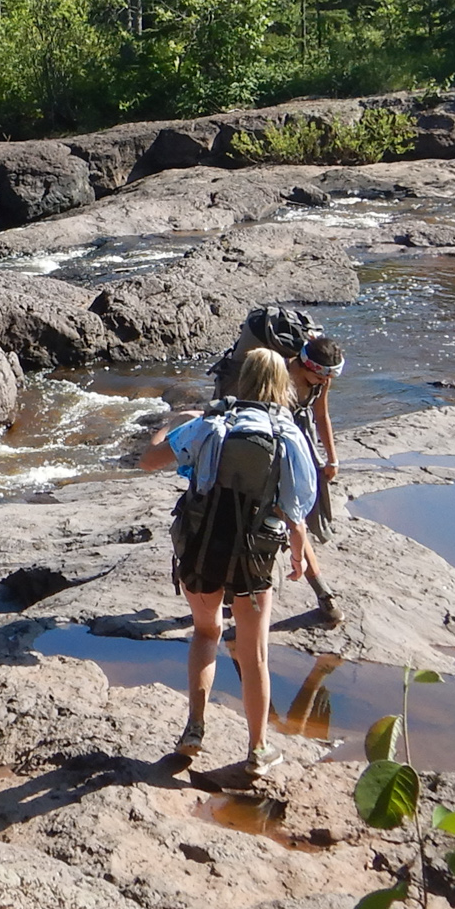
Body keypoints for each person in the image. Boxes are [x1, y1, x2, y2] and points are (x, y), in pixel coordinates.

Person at [165, 345, 320, 787]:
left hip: (202, 548)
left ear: (241, 379)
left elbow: (155, 460)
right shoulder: (288, 435)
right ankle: (257, 750)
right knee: (254, 655)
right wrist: (297, 554)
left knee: (206, 633)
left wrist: (167, 429)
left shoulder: (211, 423)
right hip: (254, 555)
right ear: (282, 385)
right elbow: (297, 508)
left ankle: (195, 728)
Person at [215, 308, 347, 628]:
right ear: (303, 364)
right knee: (275, 518)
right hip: (265, 445)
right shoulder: (276, 375)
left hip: (290, 441)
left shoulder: (320, 379)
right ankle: (323, 596)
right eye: (320, 377)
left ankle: (322, 596)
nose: (324, 383)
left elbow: (321, 415)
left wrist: (331, 458)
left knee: (288, 517)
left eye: (329, 378)